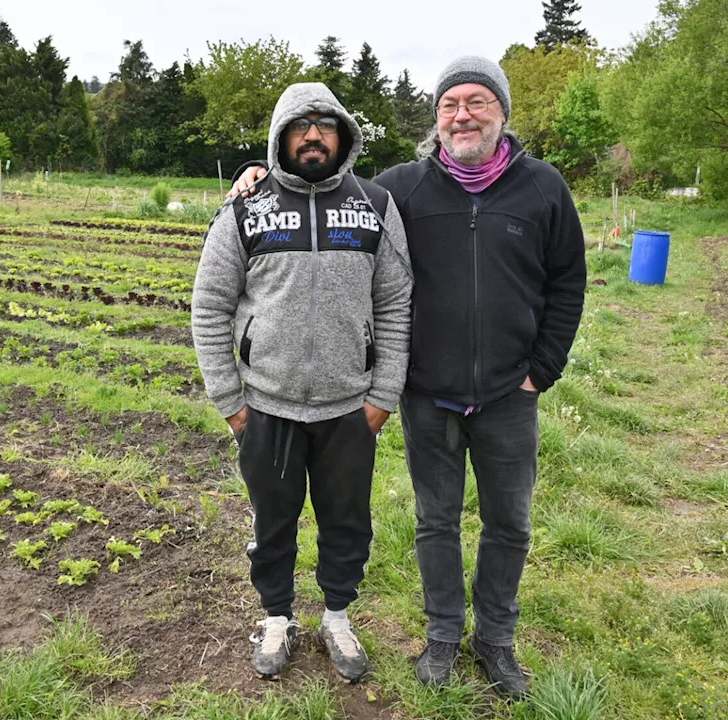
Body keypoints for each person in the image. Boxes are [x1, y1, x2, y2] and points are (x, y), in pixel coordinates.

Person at [231, 57, 586, 697]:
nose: (463, 115)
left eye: (477, 102)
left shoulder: (543, 189)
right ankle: (444, 636)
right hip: (430, 395)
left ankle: (496, 640)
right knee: (436, 520)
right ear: (437, 118)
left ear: (502, 112)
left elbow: (568, 282)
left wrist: (543, 370)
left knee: (510, 523)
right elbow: (322, 181)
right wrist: (260, 175)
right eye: (451, 105)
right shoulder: (404, 190)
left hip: (511, 394)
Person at [192, 82, 414, 683]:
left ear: (343, 135)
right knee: (274, 521)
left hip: (350, 411)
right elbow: (210, 305)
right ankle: (276, 618)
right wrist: (231, 402)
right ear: (280, 135)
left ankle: (337, 617)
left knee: (347, 522)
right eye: (300, 125)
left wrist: (382, 395)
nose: (313, 135)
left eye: (325, 124)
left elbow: (394, 302)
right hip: (265, 408)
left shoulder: (374, 205)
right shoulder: (246, 208)